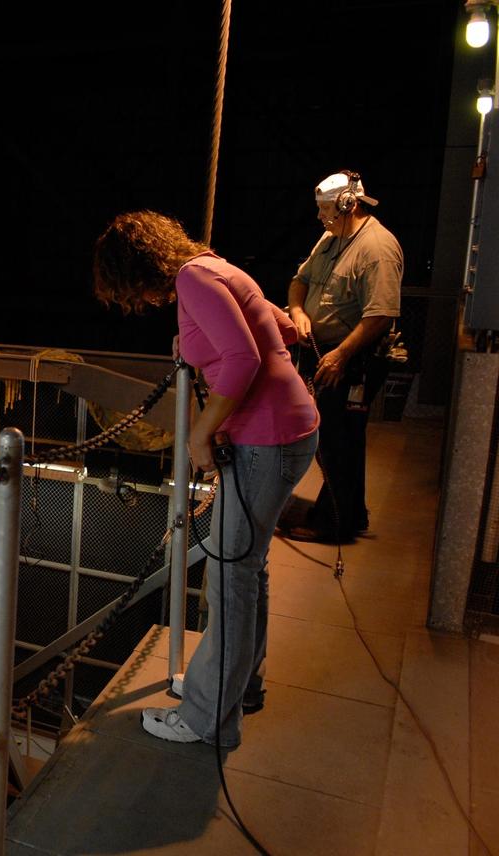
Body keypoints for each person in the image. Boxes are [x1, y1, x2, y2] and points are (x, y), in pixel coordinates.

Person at [92, 211, 319, 747]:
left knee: (230, 578)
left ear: (136, 268)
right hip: (289, 430)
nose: (139, 301)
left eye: (129, 289)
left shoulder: (193, 279)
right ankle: (238, 687)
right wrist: (195, 341)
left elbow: (243, 358)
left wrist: (200, 434)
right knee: (247, 569)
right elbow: (282, 330)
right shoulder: (215, 266)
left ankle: (206, 716)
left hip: (264, 439)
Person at [283, 170, 403, 543]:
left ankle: (333, 524)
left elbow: (380, 314)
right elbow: (300, 281)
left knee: (336, 441)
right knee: (342, 438)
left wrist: (341, 355)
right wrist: (298, 311)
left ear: (347, 204)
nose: (320, 216)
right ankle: (352, 513)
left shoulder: (377, 249)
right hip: (325, 353)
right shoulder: (331, 237)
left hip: (352, 361)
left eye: (324, 209)